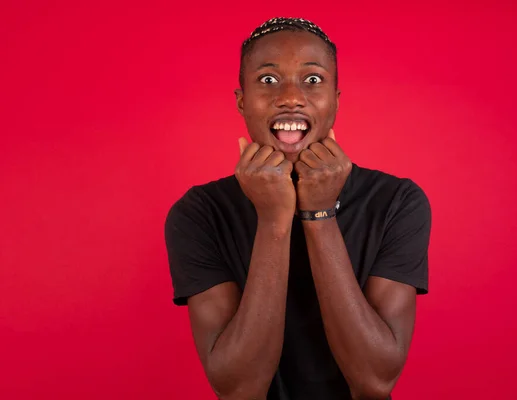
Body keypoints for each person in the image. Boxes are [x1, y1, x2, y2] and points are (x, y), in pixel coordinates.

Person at [164, 17, 432, 400]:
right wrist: (274, 220)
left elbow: (375, 382)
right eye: (269, 80)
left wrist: (318, 215)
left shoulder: (396, 201)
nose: (291, 96)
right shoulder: (200, 213)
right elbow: (240, 389)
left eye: (313, 80)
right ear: (242, 101)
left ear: (336, 100)